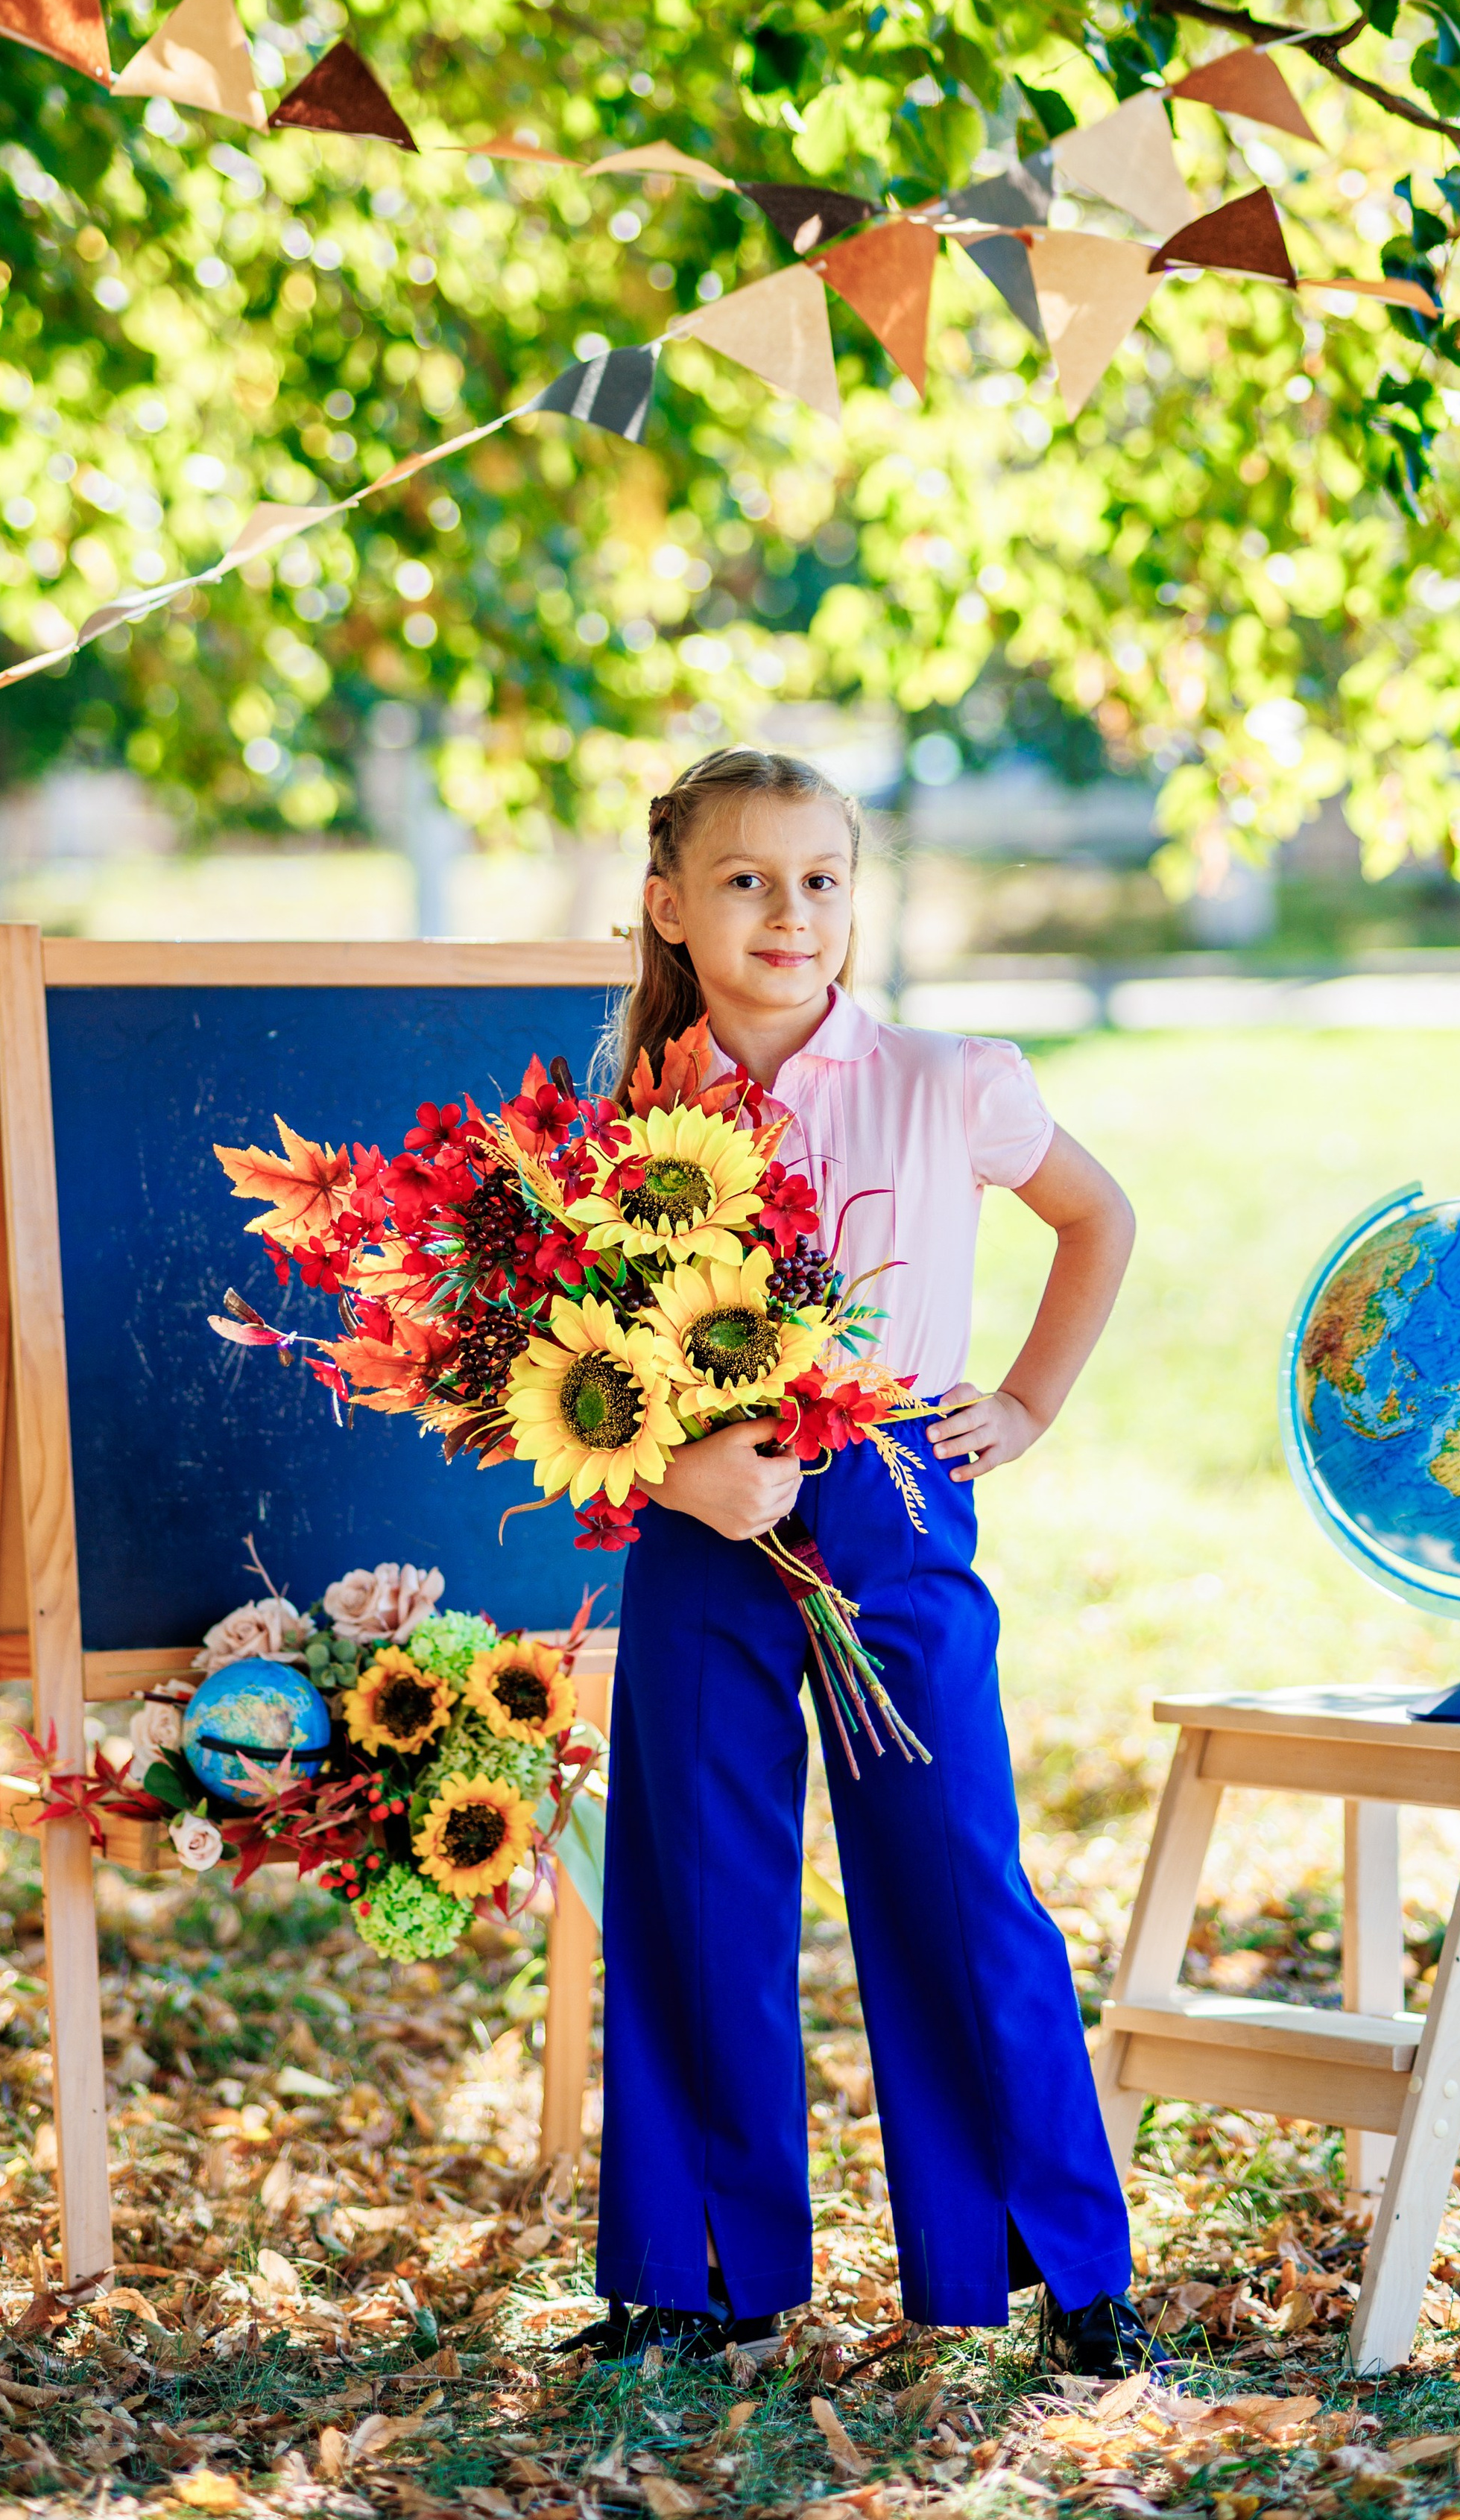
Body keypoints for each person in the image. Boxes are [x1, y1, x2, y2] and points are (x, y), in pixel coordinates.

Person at [571, 744, 1144, 2376]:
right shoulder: (614, 1122)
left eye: (821, 880)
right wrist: (679, 1471)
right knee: (692, 1882)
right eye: (747, 880)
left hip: (892, 1508)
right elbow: (551, 1354)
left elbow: (1095, 1217)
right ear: (669, 906)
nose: (789, 912)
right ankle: (693, 2277)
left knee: (954, 1874)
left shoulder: (948, 1077)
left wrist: (1024, 1401)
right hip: (697, 1525)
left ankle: (1056, 2271)